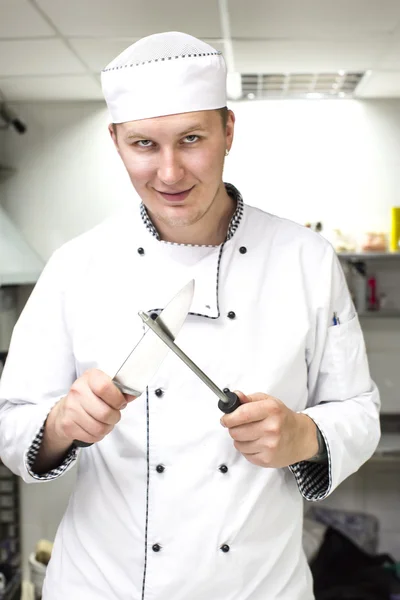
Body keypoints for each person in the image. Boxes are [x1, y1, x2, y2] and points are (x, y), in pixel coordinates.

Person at [0, 31, 380, 600]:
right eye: (144, 145)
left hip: (257, 588)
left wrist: (304, 434)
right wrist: (60, 426)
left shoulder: (305, 258)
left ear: (229, 130)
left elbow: (359, 411)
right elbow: (12, 422)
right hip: (103, 585)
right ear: (116, 141)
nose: (170, 173)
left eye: (192, 139)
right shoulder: (77, 265)